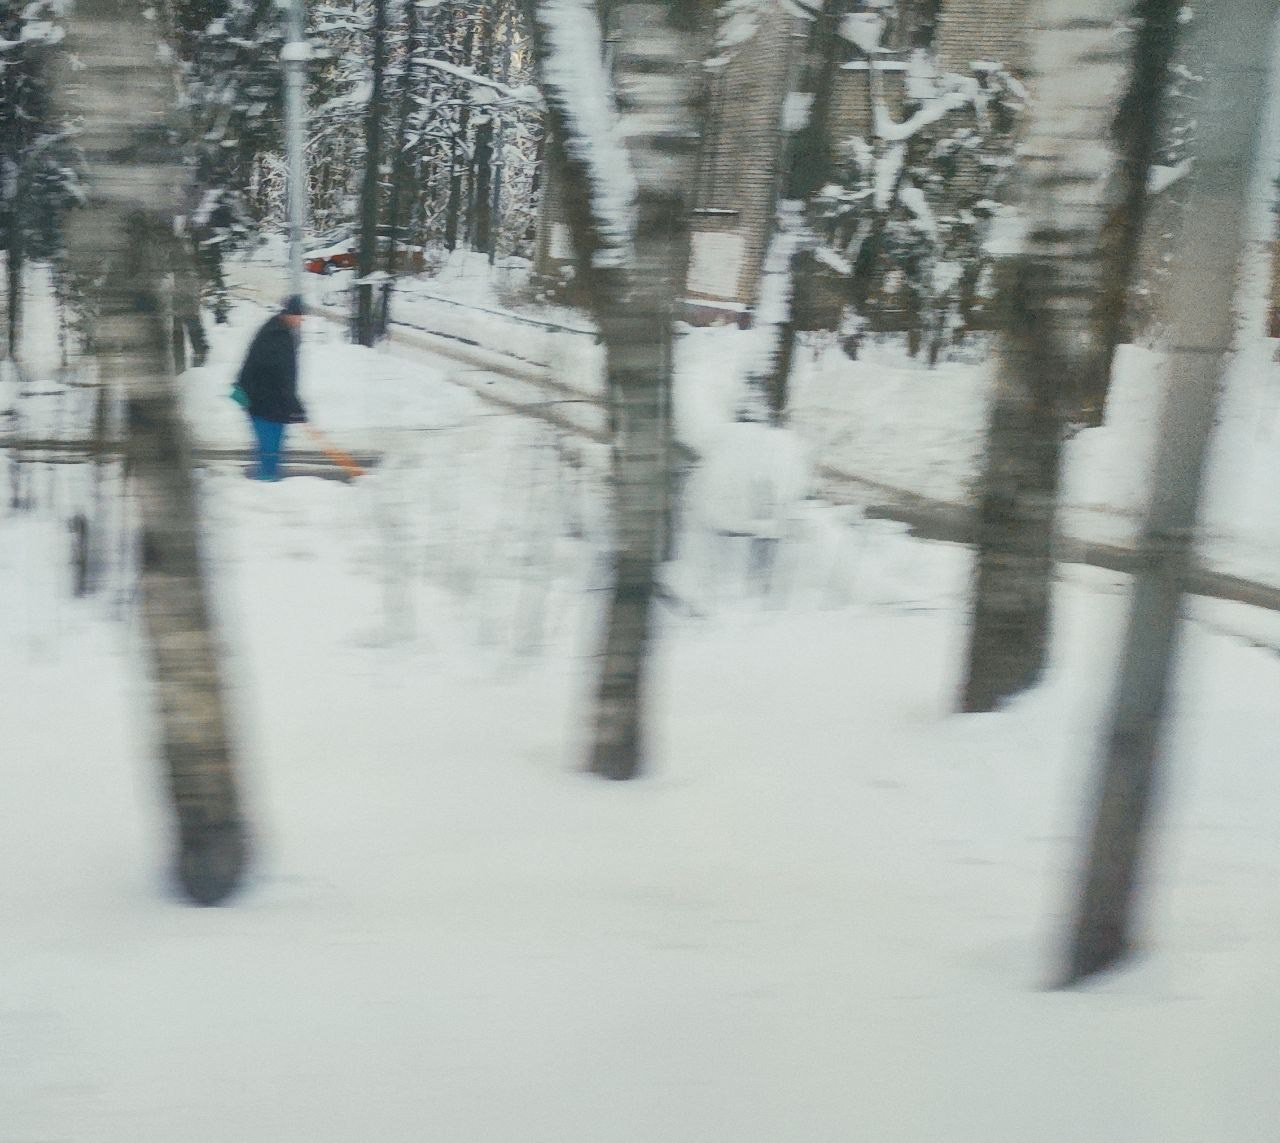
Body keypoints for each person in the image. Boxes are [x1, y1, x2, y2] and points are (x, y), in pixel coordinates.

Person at [236, 295, 307, 480]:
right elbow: (282, 376)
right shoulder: (278, 336)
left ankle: (267, 484)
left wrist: (293, 405)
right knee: (269, 452)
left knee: (269, 451)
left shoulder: (276, 330)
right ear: (291, 314)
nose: (301, 320)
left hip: (264, 401)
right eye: (299, 315)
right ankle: (266, 486)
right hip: (265, 403)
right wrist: (294, 405)